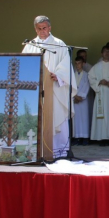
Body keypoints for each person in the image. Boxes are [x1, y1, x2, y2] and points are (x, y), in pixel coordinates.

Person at [22, 15, 77, 158]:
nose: (42, 31)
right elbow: (24, 64)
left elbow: (65, 65)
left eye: (44, 28)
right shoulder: (30, 45)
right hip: (36, 91)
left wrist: (58, 75)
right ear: (35, 29)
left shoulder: (59, 44)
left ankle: (59, 151)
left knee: (56, 117)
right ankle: (38, 151)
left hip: (55, 89)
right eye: (39, 29)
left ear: (50, 28)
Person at [72, 56, 90, 146]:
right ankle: (77, 137)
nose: (77, 65)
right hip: (74, 99)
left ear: (83, 64)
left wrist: (81, 96)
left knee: (84, 118)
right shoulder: (72, 75)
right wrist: (74, 96)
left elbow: (87, 86)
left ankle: (85, 137)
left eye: (79, 63)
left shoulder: (87, 75)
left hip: (82, 99)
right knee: (76, 119)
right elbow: (70, 87)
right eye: (76, 63)